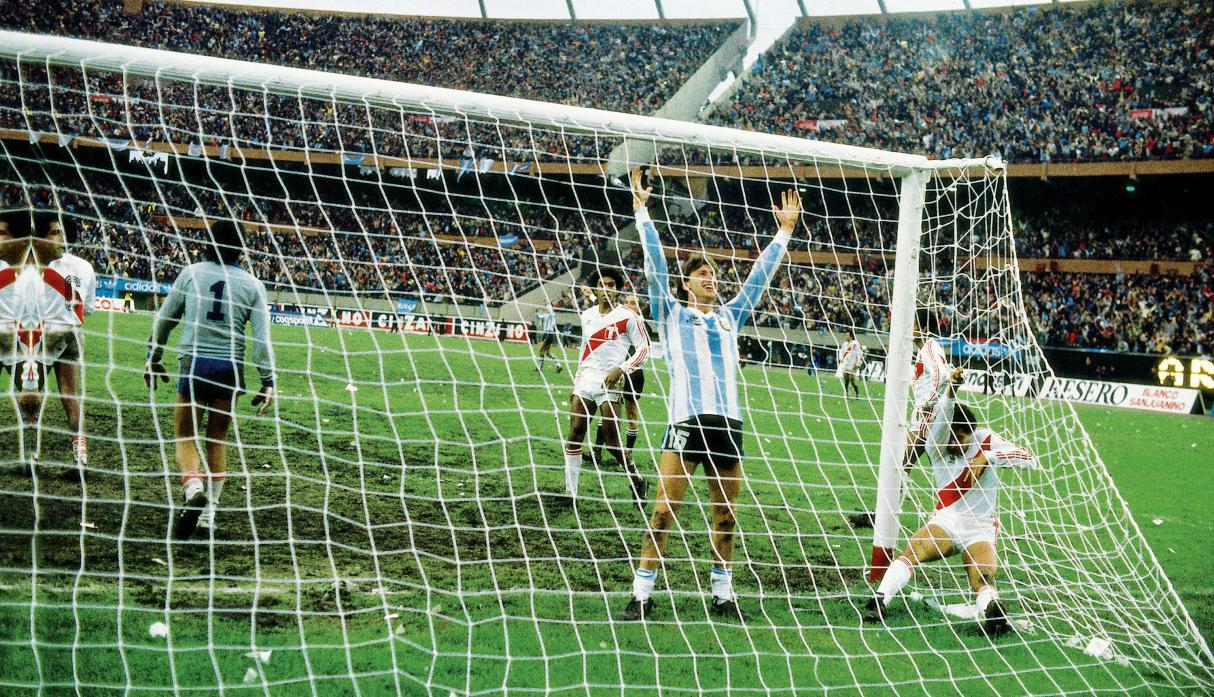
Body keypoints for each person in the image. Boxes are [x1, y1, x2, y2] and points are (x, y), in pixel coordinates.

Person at [621, 168, 801, 622]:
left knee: (725, 517)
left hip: (728, 425)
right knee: (664, 512)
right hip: (686, 422)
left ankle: (723, 593)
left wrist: (783, 232)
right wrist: (643, 211)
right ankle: (641, 595)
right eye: (703, 274)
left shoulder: (729, 316)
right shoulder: (671, 313)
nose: (711, 279)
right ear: (687, 283)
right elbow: (655, 265)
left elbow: (759, 278)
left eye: (714, 275)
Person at [863, 367, 1037, 637]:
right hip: (946, 521)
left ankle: (993, 612)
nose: (956, 443)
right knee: (913, 550)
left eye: (962, 438)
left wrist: (988, 457)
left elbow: (1030, 459)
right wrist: (951, 391)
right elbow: (943, 421)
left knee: (982, 577)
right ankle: (879, 601)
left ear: (972, 432)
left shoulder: (986, 440)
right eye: (952, 436)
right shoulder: (936, 445)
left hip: (980, 527)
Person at [144, 220, 275, 541]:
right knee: (217, 440)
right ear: (240, 249)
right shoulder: (253, 285)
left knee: (184, 435)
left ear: (208, 243)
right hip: (230, 370)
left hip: (194, 365)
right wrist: (268, 379)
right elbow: (261, 340)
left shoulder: (191, 274)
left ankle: (193, 488)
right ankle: (208, 516)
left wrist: (153, 356)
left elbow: (165, 319)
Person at [559, 266, 649, 509]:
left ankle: (637, 479)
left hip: (610, 383)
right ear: (596, 289)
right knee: (575, 432)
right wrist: (576, 380)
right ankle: (571, 492)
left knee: (611, 442)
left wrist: (622, 368)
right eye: (602, 284)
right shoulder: (587, 315)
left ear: (618, 289)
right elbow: (583, 351)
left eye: (611, 285)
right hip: (585, 380)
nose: (606, 288)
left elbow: (643, 350)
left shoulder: (629, 317)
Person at [40, 212, 97, 476]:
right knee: (70, 395)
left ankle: (31, 451)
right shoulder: (85, 266)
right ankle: (80, 454)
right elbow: (90, 308)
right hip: (74, 331)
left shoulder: (40, 263)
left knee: (31, 390)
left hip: (46, 330)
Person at [592, 292, 645, 468]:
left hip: (634, 374)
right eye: (627, 302)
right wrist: (592, 298)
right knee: (606, 407)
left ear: (640, 308)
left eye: (633, 303)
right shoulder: (618, 320)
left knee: (630, 413)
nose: (629, 305)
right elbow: (603, 317)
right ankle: (596, 451)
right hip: (614, 371)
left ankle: (626, 454)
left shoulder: (640, 325)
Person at [907, 310, 951, 466]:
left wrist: (927, 402)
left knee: (901, 462)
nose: (908, 329)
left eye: (911, 325)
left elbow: (942, 376)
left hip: (929, 413)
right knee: (940, 467)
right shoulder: (923, 350)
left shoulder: (929, 347)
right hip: (928, 412)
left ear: (923, 329)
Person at [835, 329, 865, 399]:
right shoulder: (844, 344)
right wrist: (841, 358)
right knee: (846, 381)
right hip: (845, 364)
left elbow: (859, 353)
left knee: (852, 380)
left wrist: (858, 362)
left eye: (847, 335)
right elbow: (841, 352)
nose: (846, 336)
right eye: (845, 335)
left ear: (851, 336)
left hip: (852, 364)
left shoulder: (855, 344)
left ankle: (857, 394)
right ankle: (847, 394)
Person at [534, 302, 561, 373]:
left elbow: (550, 310)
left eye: (547, 307)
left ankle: (539, 368)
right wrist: (536, 311)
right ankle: (558, 364)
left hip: (548, 334)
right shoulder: (545, 315)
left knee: (541, 351)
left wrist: (548, 303)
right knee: (548, 353)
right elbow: (539, 317)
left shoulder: (552, 314)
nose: (546, 308)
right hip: (547, 334)